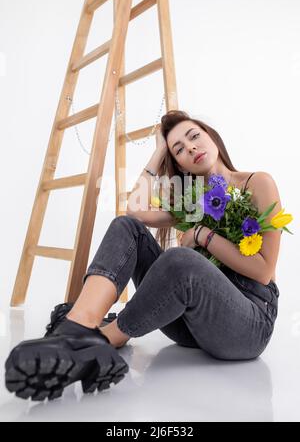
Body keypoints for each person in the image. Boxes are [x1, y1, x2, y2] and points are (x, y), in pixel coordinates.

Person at [5, 110, 281, 402]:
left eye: (194, 136)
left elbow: (263, 271)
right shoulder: (191, 203)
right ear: (180, 164)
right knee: (128, 227)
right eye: (179, 150)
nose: (190, 148)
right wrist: (159, 152)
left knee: (179, 259)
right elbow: (135, 210)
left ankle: (99, 341)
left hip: (248, 325)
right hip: (192, 327)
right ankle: (78, 325)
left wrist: (202, 235)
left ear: (211, 136)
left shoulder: (257, 183)